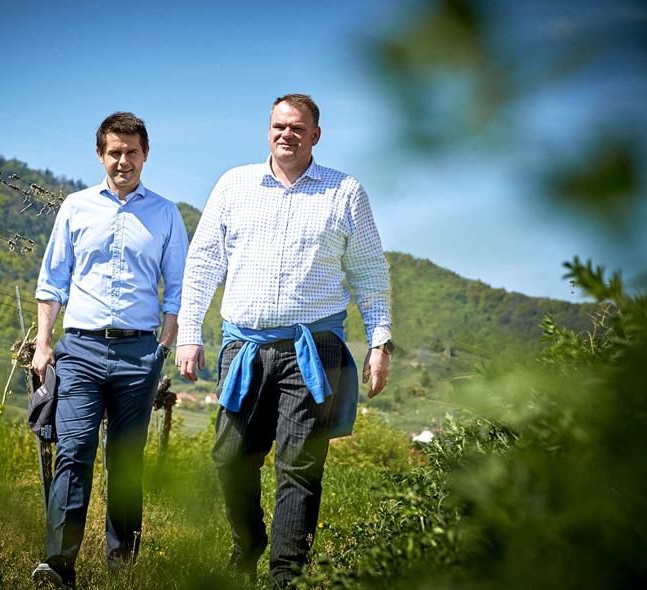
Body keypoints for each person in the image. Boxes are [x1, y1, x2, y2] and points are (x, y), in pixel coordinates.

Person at [176, 93, 393, 588]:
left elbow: (369, 273)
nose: (286, 134)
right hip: (244, 348)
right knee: (230, 457)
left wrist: (380, 340)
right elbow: (204, 264)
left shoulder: (344, 192)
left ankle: (284, 575)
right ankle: (248, 542)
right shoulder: (234, 184)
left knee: (299, 466)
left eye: (297, 127)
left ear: (316, 135)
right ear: (267, 130)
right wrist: (190, 333)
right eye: (279, 126)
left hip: (314, 350)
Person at [30, 112, 188, 588]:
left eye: (132, 152)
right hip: (78, 350)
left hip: (139, 354)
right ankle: (57, 567)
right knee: (73, 453)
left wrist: (163, 345)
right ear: (100, 155)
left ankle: (122, 570)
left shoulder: (165, 213)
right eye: (115, 152)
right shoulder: (76, 208)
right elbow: (52, 281)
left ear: (146, 155)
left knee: (125, 461)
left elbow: (178, 287)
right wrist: (43, 344)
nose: (124, 161)